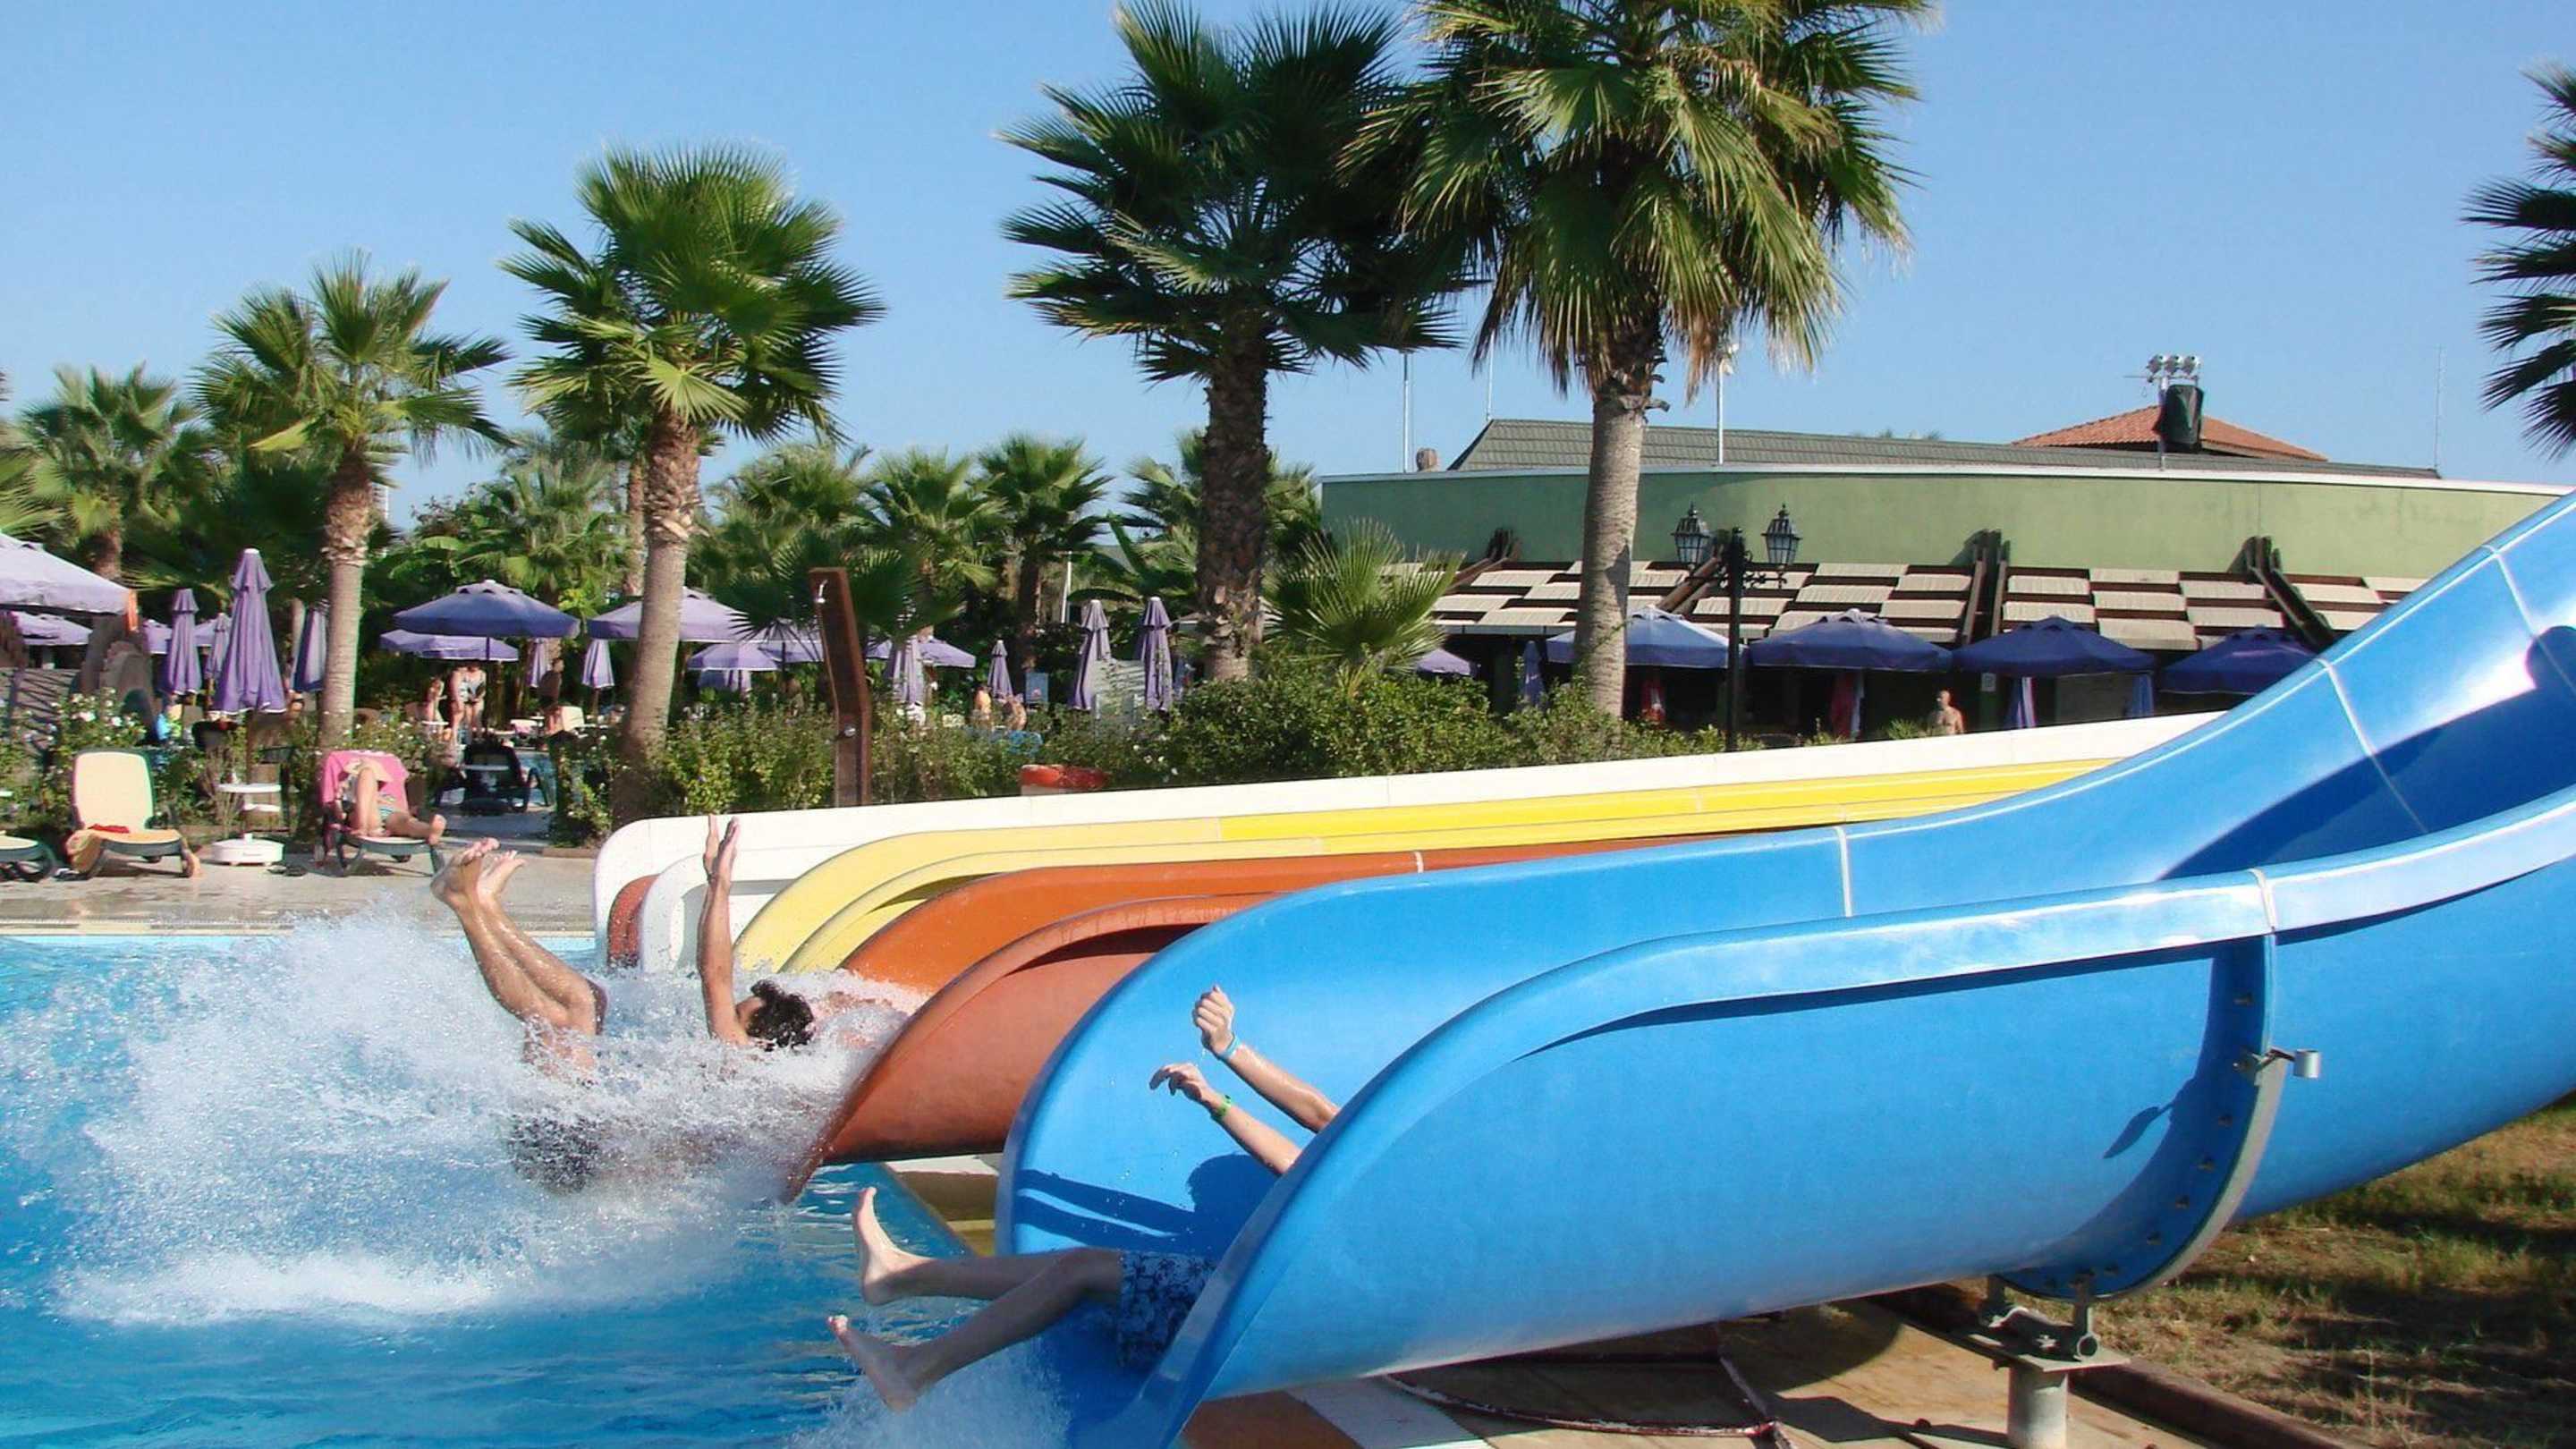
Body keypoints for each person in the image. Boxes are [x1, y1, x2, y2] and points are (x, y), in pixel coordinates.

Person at [826, 985, 1333, 1410]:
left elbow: (1315, 1128)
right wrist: (1222, 1068)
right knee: (1076, 1265)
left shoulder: (1369, 1205)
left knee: (1082, 1270)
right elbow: (1319, 1125)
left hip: (1275, 1320)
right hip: (1271, 1301)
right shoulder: (1363, 1178)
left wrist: (1224, 1071)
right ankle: (903, 1276)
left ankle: (916, 1368)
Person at [339, 752, 446, 846]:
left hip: (390, 817)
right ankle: (363, 827)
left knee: (408, 823)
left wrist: (384, 801)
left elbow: (403, 810)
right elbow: (341, 814)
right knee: (367, 773)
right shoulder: (347, 795)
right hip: (368, 816)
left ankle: (430, 831)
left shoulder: (386, 795)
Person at [448, 663, 487, 735]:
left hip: (478, 697)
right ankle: (469, 738)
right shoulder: (462, 674)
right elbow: (462, 688)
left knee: (477, 719)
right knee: (468, 720)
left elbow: (483, 687)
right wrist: (469, 696)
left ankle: (479, 738)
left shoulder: (482, 674)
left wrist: (479, 697)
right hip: (467, 698)